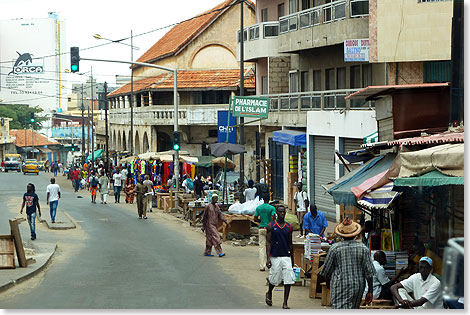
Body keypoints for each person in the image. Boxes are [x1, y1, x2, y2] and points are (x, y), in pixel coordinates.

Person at [319, 217, 375, 309]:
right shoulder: (363, 248)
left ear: (341, 234)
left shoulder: (335, 248)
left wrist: (329, 284)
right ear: (355, 234)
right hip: (358, 286)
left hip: (339, 285)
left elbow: (326, 271)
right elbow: (369, 272)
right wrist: (370, 290)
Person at [265, 205, 295, 309]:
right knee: (274, 278)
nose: (282, 214)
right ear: (276, 213)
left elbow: (290, 243)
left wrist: (292, 258)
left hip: (286, 255)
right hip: (275, 255)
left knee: (288, 278)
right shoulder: (271, 226)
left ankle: (285, 302)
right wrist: (268, 258)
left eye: (284, 212)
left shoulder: (289, 227)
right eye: (280, 212)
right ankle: (269, 292)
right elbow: (268, 242)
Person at [254, 197, 276, 271]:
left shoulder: (259, 208)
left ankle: (262, 266)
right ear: (269, 200)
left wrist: (261, 221)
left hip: (261, 228)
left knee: (262, 247)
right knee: (270, 246)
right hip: (269, 229)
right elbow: (274, 217)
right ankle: (270, 264)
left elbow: (255, 218)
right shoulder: (272, 208)